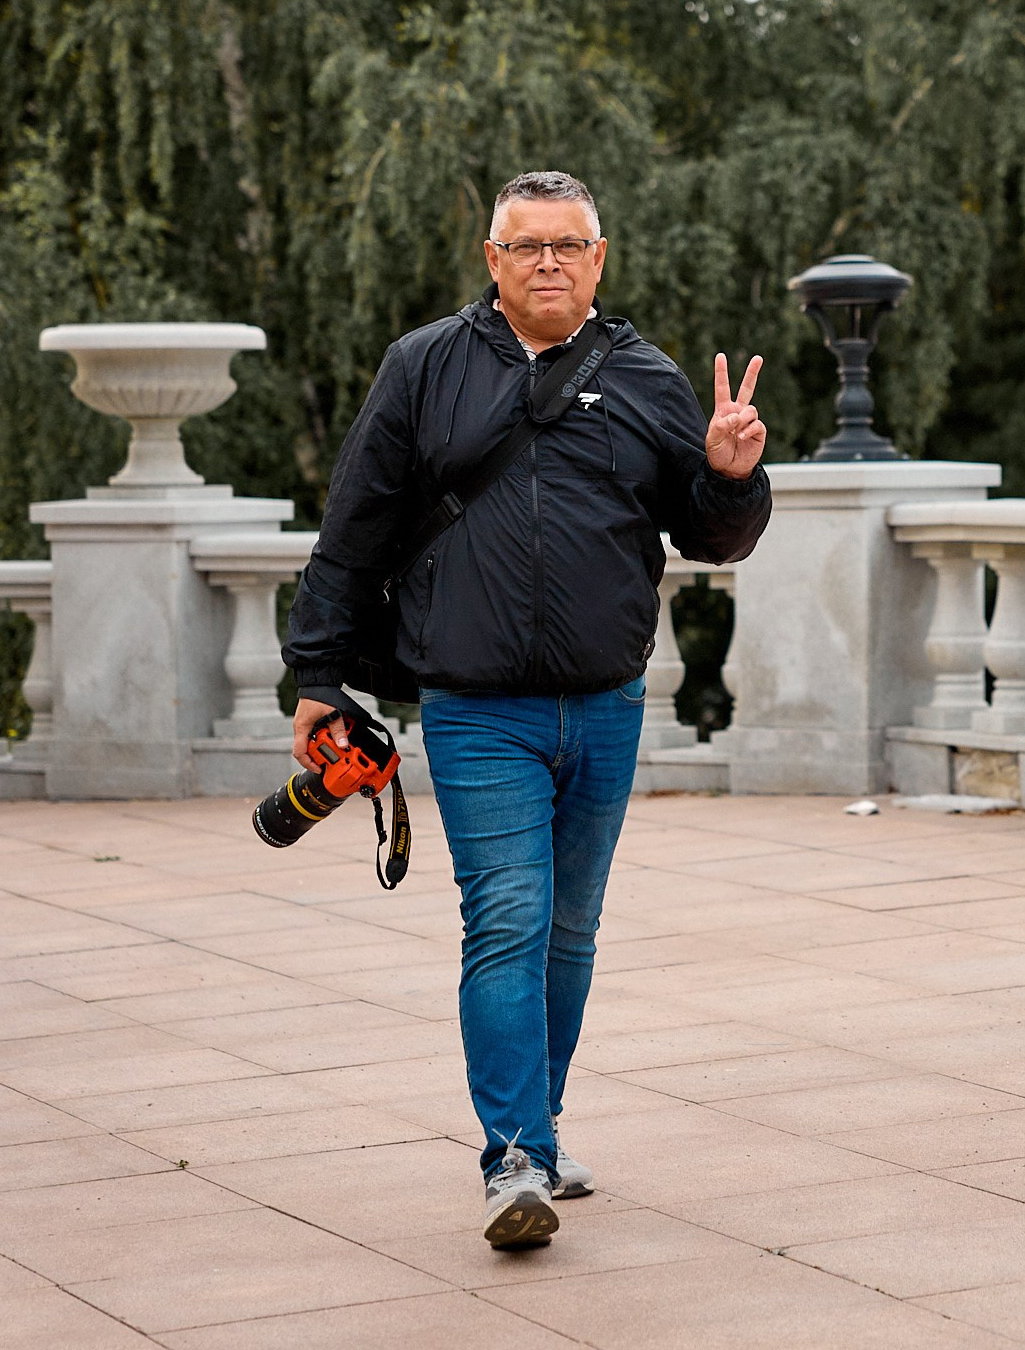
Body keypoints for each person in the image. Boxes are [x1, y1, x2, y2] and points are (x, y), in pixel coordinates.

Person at [283, 170, 770, 1250]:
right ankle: (511, 1155)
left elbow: (708, 536)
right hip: (477, 708)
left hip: (606, 704)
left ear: (600, 257)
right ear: (491, 259)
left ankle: (537, 1134)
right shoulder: (424, 368)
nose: (548, 261)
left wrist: (734, 476)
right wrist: (319, 675)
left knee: (569, 928)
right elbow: (353, 523)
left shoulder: (646, 375)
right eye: (526, 245)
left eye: (568, 243)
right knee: (505, 915)